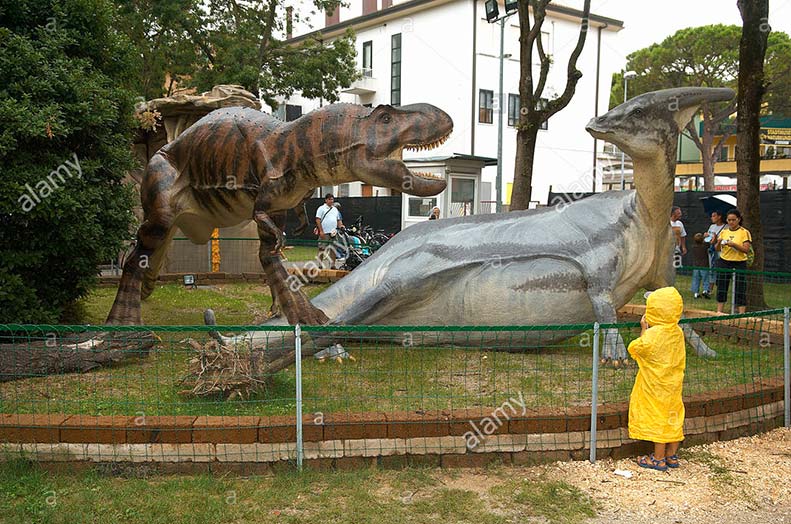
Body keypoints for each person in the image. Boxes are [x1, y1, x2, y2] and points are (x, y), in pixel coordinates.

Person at [628, 287, 686, 472]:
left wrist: (644, 329)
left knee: (658, 417)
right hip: (673, 384)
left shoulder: (654, 334)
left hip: (655, 385)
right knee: (674, 415)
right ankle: (672, 455)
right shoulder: (677, 331)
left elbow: (637, 348)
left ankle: (658, 459)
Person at [714, 208, 752, 314]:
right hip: (724, 261)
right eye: (729, 220)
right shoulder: (724, 232)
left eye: (733, 220)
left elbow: (746, 250)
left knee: (740, 287)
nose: (731, 222)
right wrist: (718, 243)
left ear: (738, 219)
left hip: (739, 262)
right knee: (722, 285)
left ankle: (741, 313)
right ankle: (719, 311)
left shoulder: (744, 232)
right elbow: (717, 249)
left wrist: (734, 244)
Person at [315, 194, 343, 268]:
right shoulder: (321, 208)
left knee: (333, 249)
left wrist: (341, 226)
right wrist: (321, 231)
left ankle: (332, 265)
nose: (331, 201)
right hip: (325, 232)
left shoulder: (335, 209)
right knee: (322, 248)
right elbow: (318, 220)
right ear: (326, 200)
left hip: (333, 233)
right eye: (330, 199)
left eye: (332, 199)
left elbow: (338, 220)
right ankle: (320, 265)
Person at [705, 210, 727, 292]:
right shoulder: (711, 226)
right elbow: (708, 240)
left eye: (714, 216)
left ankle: (720, 288)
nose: (712, 218)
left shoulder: (726, 227)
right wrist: (706, 236)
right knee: (712, 268)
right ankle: (710, 289)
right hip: (712, 250)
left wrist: (716, 239)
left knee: (720, 269)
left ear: (719, 216)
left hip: (721, 251)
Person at [690, 233, 711, 299]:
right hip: (704, 266)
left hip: (696, 266)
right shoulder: (705, 246)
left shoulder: (693, 247)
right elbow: (711, 242)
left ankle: (696, 293)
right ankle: (705, 291)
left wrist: (703, 237)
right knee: (706, 279)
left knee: (696, 279)